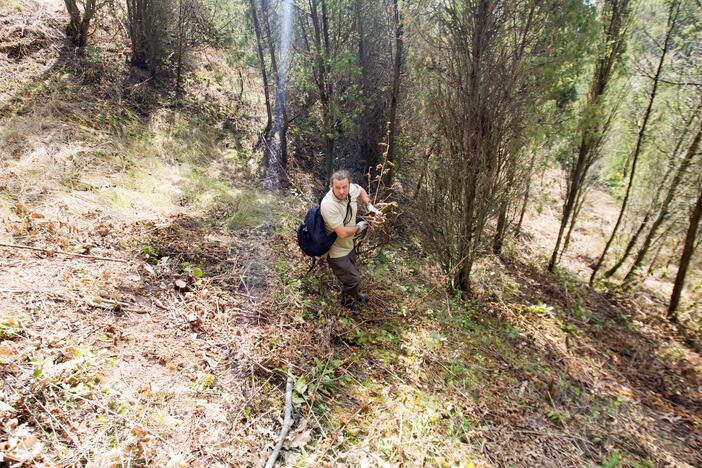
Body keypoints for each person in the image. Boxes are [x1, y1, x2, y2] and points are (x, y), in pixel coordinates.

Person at [320, 169, 380, 308]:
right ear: (331, 187)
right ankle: (348, 305)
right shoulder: (328, 204)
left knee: (352, 271)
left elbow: (361, 190)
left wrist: (368, 205)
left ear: (348, 184)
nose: (341, 191)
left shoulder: (351, 189)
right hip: (336, 250)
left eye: (344, 187)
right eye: (337, 188)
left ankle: (354, 295)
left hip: (348, 245)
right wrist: (360, 226)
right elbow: (341, 232)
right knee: (353, 279)